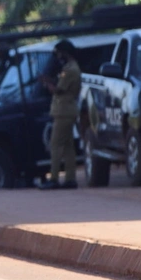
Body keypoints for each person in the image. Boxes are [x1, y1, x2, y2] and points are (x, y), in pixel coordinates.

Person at [38, 39, 82, 190]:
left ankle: (54, 178)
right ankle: (70, 178)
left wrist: (46, 82)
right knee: (68, 146)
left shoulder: (70, 69)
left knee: (55, 145)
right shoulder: (70, 68)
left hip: (64, 111)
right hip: (66, 110)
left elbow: (59, 90)